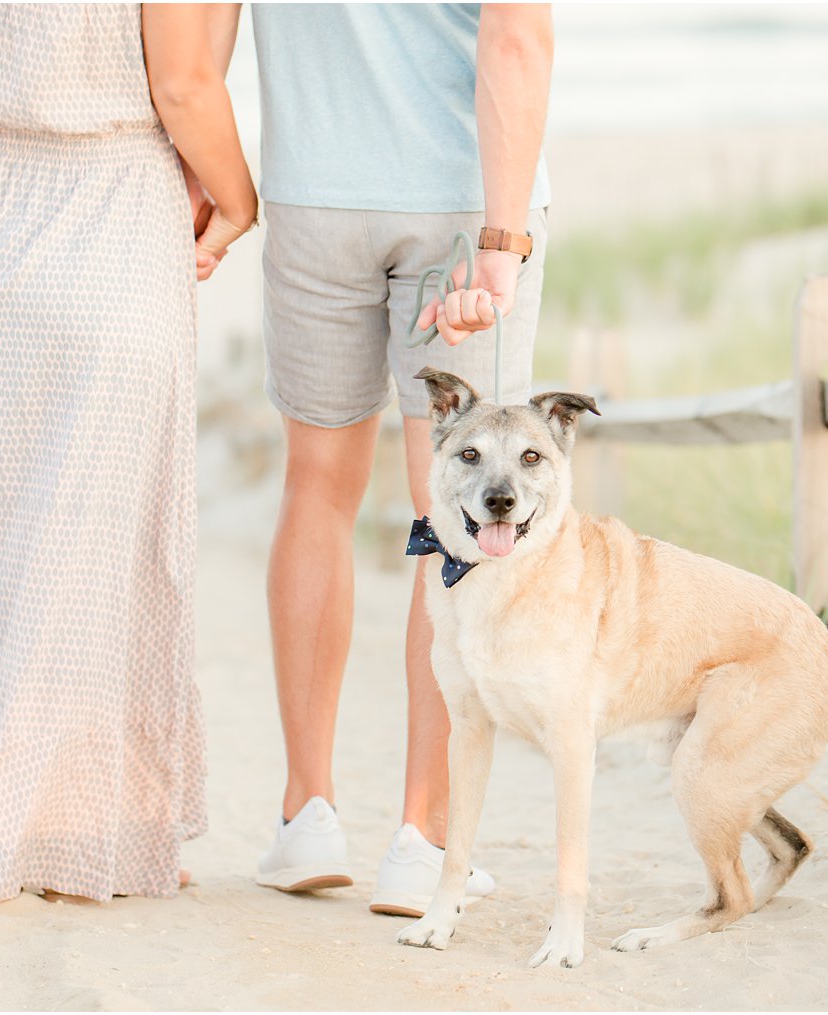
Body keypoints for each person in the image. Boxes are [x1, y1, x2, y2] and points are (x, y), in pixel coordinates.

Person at [0, 2, 256, 917]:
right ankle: (73, 827)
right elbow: (183, 84)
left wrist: (4, 228)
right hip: (114, 218)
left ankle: (1, 812)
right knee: (103, 556)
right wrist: (239, 199)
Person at [248, 3, 554, 916]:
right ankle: (424, 840)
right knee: (452, 518)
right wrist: (503, 242)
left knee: (315, 493)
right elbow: (515, 36)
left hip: (312, 194)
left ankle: (307, 814)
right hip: (459, 198)